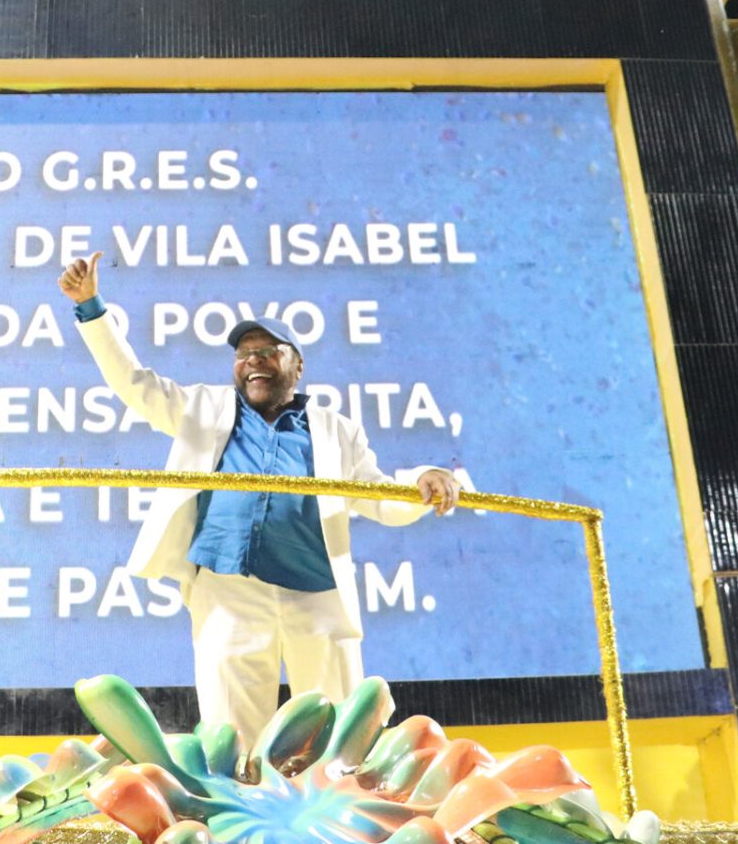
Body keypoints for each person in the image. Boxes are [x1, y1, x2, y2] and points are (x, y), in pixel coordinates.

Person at [57, 252, 461, 746]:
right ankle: (240, 819)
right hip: (228, 587)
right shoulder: (203, 408)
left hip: (314, 589)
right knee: (233, 737)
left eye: (268, 351)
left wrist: (424, 480)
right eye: (244, 353)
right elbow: (133, 383)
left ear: (298, 365)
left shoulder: (336, 429)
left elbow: (380, 498)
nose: (253, 360)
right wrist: (91, 308)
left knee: (337, 733)